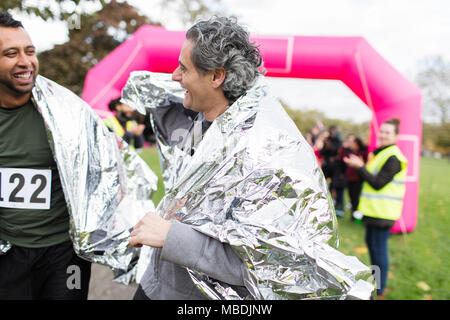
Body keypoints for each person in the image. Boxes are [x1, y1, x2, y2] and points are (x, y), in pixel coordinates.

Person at [125, 16, 374, 300]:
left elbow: (269, 263)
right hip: (157, 287)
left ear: (217, 76)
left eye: (183, 68)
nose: (174, 76)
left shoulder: (264, 155)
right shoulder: (209, 124)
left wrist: (171, 237)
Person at [0, 11, 156, 300]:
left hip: (63, 254)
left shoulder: (68, 112)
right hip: (8, 253)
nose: (25, 61)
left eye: (30, 51)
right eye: (11, 53)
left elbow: (110, 171)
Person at [344, 118, 407, 299]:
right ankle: (375, 282)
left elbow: (378, 183)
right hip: (373, 211)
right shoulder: (380, 153)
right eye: (382, 131)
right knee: (372, 247)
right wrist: (360, 166)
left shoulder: (394, 157)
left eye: (387, 132)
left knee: (379, 250)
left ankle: (379, 290)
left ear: (396, 136)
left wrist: (360, 167)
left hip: (384, 213)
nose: (383, 135)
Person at [339, 134, 367, 221]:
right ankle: (353, 214)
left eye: (354, 143)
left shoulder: (362, 152)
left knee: (356, 198)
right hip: (349, 178)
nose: (352, 145)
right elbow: (341, 157)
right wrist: (344, 147)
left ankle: (357, 215)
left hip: (357, 179)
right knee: (351, 197)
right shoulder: (349, 152)